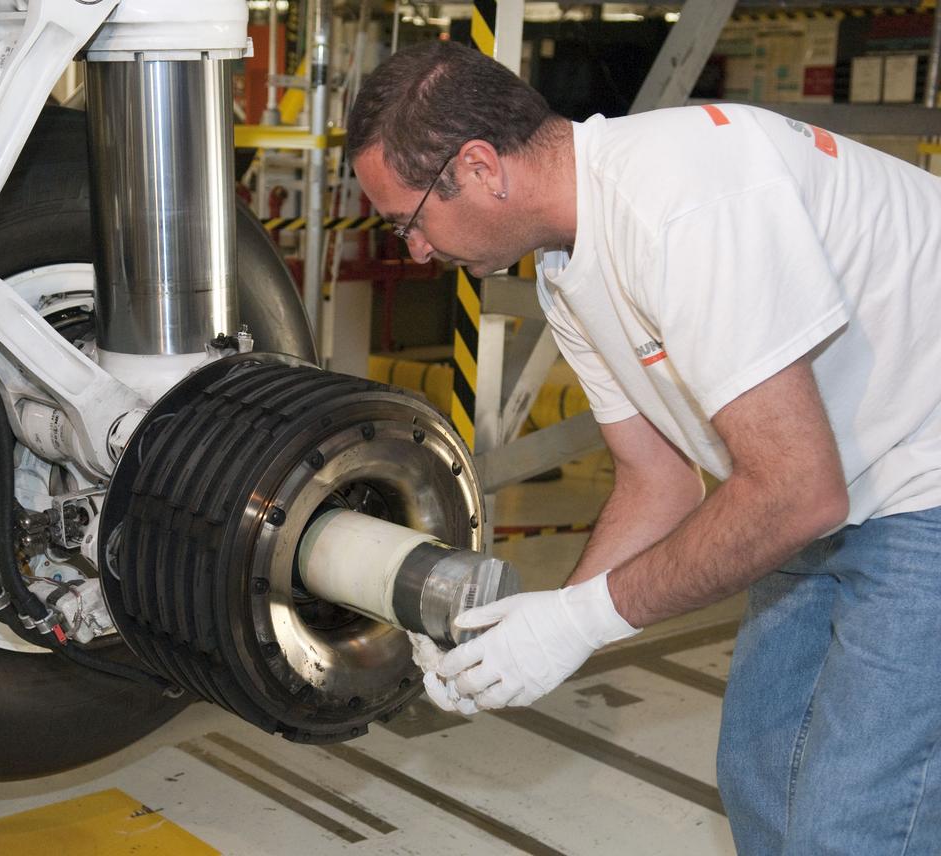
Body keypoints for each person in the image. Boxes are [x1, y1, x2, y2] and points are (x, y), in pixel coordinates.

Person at [347, 39, 941, 854]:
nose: (415, 251)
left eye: (409, 221)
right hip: (838, 471)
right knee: (763, 777)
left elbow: (799, 494)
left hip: (922, 474)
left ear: (482, 167)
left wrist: (580, 621)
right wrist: (546, 624)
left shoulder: (683, 202)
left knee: (855, 822)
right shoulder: (566, 268)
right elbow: (658, 481)